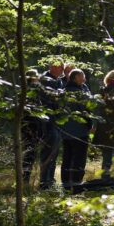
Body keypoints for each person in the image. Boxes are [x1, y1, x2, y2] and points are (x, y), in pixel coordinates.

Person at [60, 69, 94, 188]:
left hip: (65, 131)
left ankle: (65, 182)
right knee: (79, 156)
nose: (84, 79)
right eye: (81, 77)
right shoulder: (78, 93)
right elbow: (87, 110)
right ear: (74, 78)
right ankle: (76, 182)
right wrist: (90, 124)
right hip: (79, 130)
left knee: (67, 156)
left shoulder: (64, 91)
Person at [38, 61, 65, 190]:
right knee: (48, 151)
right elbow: (47, 101)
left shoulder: (58, 80)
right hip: (47, 121)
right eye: (60, 67)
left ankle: (50, 180)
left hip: (57, 121)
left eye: (62, 67)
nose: (62, 69)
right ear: (52, 67)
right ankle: (44, 182)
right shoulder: (45, 80)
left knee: (54, 151)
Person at [22, 69, 46, 186]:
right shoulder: (32, 91)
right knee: (30, 153)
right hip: (31, 126)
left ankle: (26, 178)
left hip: (30, 126)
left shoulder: (24, 90)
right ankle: (25, 179)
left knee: (29, 152)